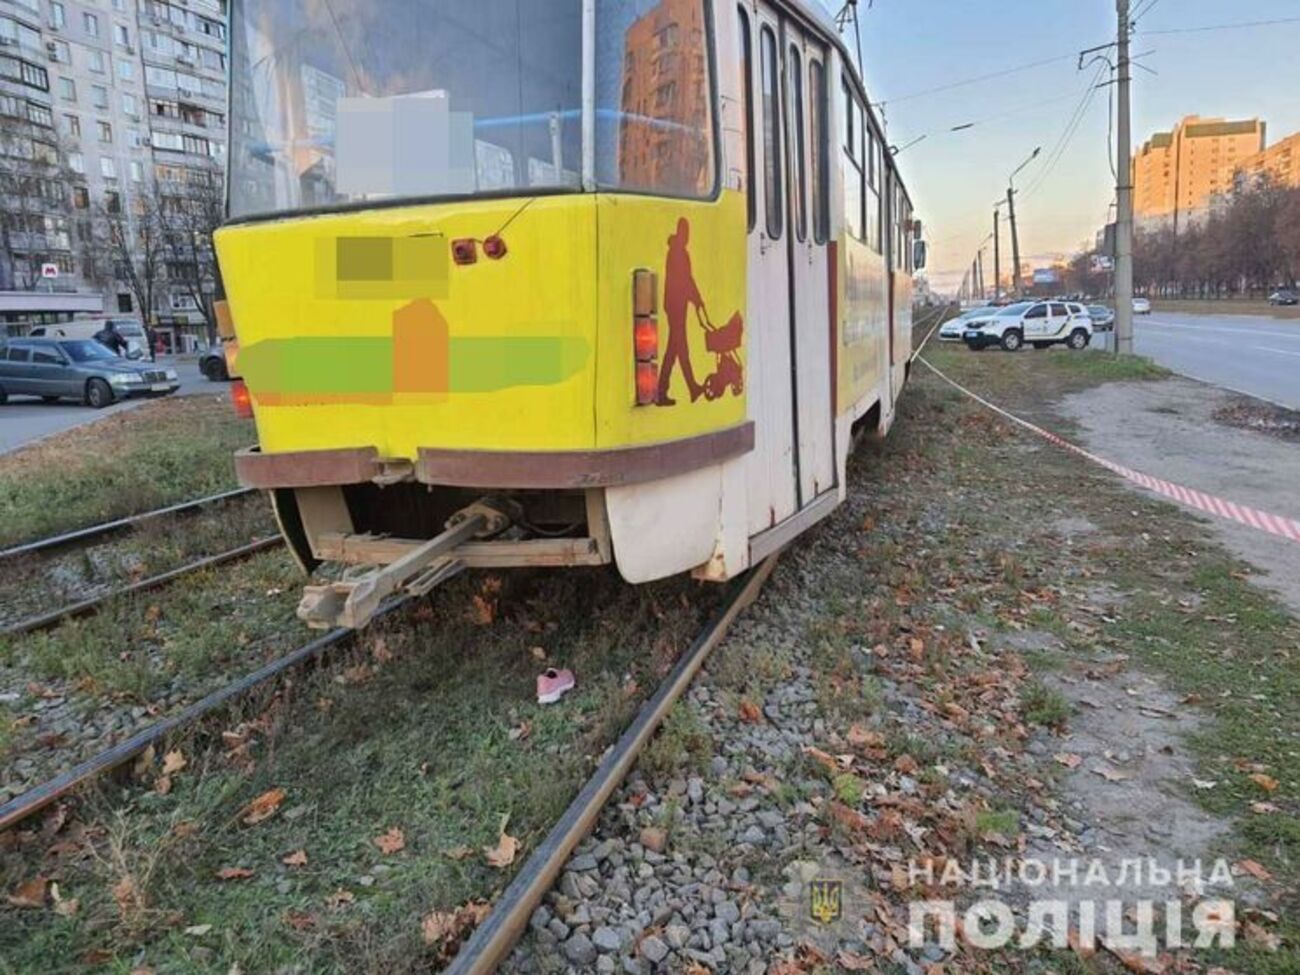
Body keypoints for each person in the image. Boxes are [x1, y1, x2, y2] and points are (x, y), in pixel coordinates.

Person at [658, 217, 704, 405]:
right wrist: (697, 300)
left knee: (677, 348)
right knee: (676, 348)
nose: (687, 236)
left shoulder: (676, 251)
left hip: (676, 305)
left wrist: (696, 300)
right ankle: (663, 392)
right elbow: (685, 280)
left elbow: (686, 280)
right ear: (682, 232)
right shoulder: (678, 253)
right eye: (686, 233)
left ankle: (688, 388)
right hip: (676, 305)